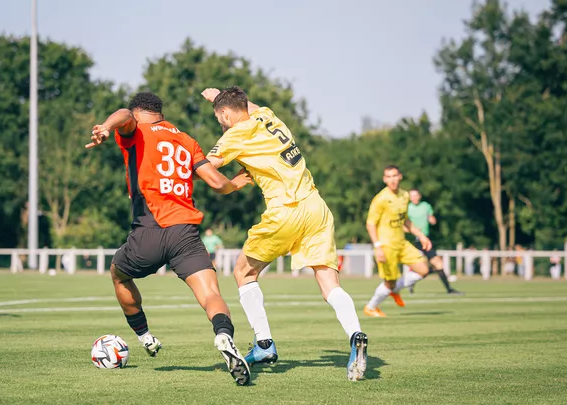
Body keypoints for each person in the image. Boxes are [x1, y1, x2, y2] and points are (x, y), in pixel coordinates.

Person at [201, 86, 368, 382]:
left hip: (285, 210)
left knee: (243, 273)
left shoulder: (235, 134)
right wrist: (218, 98)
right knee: (329, 282)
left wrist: (224, 183)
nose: (221, 124)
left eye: (219, 118)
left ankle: (264, 344)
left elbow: (207, 168)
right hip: (316, 207)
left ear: (226, 113)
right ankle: (356, 335)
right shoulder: (268, 115)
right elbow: (247, 105)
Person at [88, 92, 253, 386]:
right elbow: (216, 182)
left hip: (148, 230)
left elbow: (123, 115)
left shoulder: (136, 127)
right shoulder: (187, 140)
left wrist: (105, 126)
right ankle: (224, 336)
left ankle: (144, 336)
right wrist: (236, 183)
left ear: (139, 114)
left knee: (118, 274)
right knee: (210, 293)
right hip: (185, 233)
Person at [363, 166, 433, 317]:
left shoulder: (404, 195)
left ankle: (395, 290)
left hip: (401, 243)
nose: (392, 179)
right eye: (388, 176)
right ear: (384, 179)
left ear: (400, 176)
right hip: (386, 245)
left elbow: (405, 220)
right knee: (390, 282)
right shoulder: (380, 199)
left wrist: (421, 235)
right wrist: (378, 246)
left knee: (424, 269)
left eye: (394, 176)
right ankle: (371, 307)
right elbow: (370, 224)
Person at [406, 189, 463, 295]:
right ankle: (410, 285)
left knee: (438, 264)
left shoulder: (426, 206)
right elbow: (403, 225)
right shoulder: (407, 208)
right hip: (414, 240)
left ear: (420, 196)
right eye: (411, 196)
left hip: (426, 239)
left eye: (416, 195)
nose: (414, 197)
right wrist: (412, 230)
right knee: (418, 265)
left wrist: (432, 219)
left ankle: (449, 289)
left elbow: (431, 218)